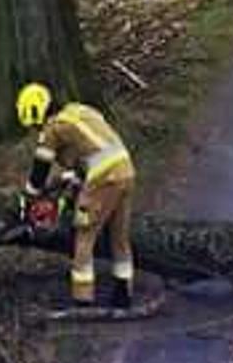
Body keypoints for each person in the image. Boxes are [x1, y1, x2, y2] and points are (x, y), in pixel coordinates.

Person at [15, 83, 140, 309]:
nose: (36, 129)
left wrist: (28, 198)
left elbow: (39, 170)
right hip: (126, 171)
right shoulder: (80, 112)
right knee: (119, 237)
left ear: (35, 112)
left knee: (83, 236)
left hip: (104, 178)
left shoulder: (53, 128)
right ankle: (123, 293)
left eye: (34, 124)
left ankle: (82, 298)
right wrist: (68, 181)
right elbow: (88, 153)